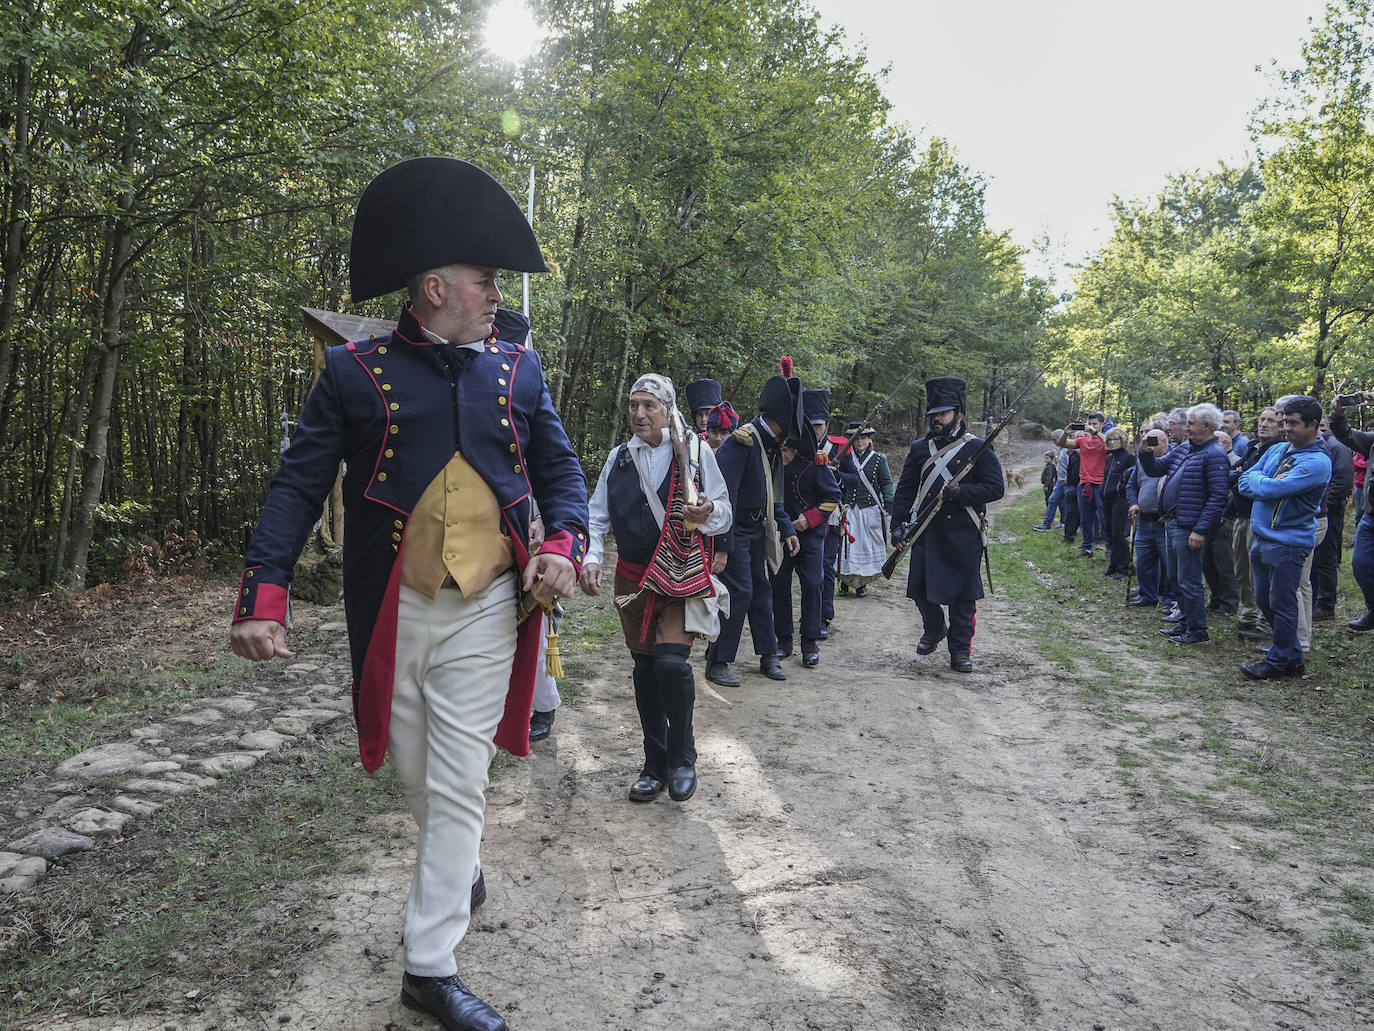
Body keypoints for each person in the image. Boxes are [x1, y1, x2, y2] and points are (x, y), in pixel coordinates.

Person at [228, 158, 589, 1031]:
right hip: (395, 607)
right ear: (435, 287)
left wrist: (562, 544)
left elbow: (561, 472)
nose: (496, 295)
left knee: (461, 782)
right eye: (485, 280)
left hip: (490, 609)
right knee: (420, 775)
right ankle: (454, 864)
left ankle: (429, 967)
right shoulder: (355, 372)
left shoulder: (519, 372)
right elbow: (297, 485)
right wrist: (263, 590)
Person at [581, 374, 731, 801]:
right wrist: (591, 558)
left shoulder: (697, 453)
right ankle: (654, 762)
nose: (639, 413)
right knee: (645, 673)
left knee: (670, 664)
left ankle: (683, 757)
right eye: (634, 405)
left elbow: (724, 512)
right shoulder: (618, 458)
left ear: (667, 410)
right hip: (633, 580)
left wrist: (707, 512)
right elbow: (596, 517)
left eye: (649, 405)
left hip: (681, 575)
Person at [890, 377, 1004, 672]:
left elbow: (995, 488)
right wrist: (897, 526)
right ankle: (935, 627)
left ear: (959, 414)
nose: (936, 419)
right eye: (933, 414)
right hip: (926, 530)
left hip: (963, 534)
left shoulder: (977, 447)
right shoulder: (919, 448)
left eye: (943, 413)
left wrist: (961, 493)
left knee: (963, 600)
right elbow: (904, 491)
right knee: (918, 590)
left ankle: (960, 651)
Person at [705, 367, 803, 686]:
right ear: (778, 422)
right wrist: (722, 546)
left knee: (762, 590)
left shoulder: (770, 447)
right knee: (739, 591)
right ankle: (717, 660)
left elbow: (774, 495)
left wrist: (787, 529)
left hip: (758, 530)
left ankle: (768, 654)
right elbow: (724, 499)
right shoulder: (741, 443)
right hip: (734, 530)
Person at [1238, 396, 1333, 679]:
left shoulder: (1317, 462)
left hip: (1289, 542)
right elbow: (1246, 481)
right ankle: (1291, 654)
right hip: (1261, 537)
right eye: (1284, 422)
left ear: (1313, 425)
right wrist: (1262, 483)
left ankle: (1280, 662)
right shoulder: (1278, 449)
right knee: (1265, 600)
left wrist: (1262, 484)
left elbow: (1267, 491)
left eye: (1293, 423)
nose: (1286, 428)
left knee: (1282, 601)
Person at [1138, 403, 1230, 645]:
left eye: (1190, 423)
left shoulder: (1215, 455)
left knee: (1189, 580)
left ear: (1206, 426)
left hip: (1189, 526)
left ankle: (1197, 630)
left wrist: (1200, 530)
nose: (1186, 428)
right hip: (1170, 522)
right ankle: (1184, 623)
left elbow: (1218, 497)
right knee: (1177, 578)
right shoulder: (1185, 448)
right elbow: (1157, 468)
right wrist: (1145, 452)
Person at [805, 388, 859, 632]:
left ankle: (823, 616)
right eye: (811, 425)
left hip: (831, 516)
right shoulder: (797, 447)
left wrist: (837, 475)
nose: (816, 430)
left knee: (825, 568)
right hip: (802, 514)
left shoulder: (840, 448)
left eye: (819, 425)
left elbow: (855, 478)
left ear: (826, 424)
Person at [1230, 407, 1282, 641]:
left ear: (1280, 425)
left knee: (1256, 571)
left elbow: (1255, 480)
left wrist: (1242, 476)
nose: (1264, 424)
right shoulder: (1253, 447)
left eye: (1271, 420)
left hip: (1258, 517)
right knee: (1241, 570)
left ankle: (1264, 619)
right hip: (1240, 514)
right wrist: (1241, 476)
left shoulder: (1277, 450)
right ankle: (1249, 614)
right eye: (1262, 419)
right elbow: (1233, 475)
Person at [1329, 394, 1374, 631]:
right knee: (1361, 563)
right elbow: (1345, 434)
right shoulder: (1371, 441)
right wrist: (1338, 413)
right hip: (1370, 516)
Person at [838, 422, 895, 597]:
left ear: (869, 439)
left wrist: (889, 502)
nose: (860, 441)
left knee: (866, 548)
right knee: (846, 548)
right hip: (849, 510)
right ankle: (844, 582)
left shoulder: (879, 459)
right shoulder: (844, 458)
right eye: (856, 438)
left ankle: (861, 585)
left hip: (869, 510)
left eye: (863, 437)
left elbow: (886, 482)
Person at [1310, 417, 1353, 621]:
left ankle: (1326, 604)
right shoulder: (1319, 446)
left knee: (1326, 558)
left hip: (1330, 512)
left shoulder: (1337, 446)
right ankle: (1315, 600)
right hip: (1317, 511)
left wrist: (1324, 506)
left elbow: (1342, 481)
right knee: (1315, 557)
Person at [1126, 421, 1171, 608]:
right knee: (1144, 561)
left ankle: (1170, 598)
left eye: (1154, 441)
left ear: (1165, 442)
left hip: (1163, 522)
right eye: (1147, 440)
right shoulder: (1141, 463)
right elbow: (1131, 486)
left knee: (1169, 563)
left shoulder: (1172, 461)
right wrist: (1134, 503)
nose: (1150, 445)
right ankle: (1147, 595)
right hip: (1143, 519)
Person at [1202, 431, 1240, 616]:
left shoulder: (1236, 463)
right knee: (1208, 563)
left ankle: (1229, 604)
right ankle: (1216, 599)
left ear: (1225, 444)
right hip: (1209, 519)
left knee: (1225, 564)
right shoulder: (1211, 461)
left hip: (1226, 519)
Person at [1061, 413, 1107, 557]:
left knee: (1104, 518)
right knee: (1085, 518)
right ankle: (1087, 547)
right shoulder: (1082, 441)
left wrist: (1096, 433)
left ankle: (1110, 548)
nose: (1092, 427)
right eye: (1090, 424)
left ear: (1102, 424)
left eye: (1095, 424)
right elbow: (1063, 443)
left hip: (1100, 484)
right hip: (1084, 484)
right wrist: (1066, 433)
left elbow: (1111, 445)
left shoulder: (1106, 439)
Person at [1100, 426, 1135, 579]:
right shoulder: (1109, 457)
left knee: (1118, 533)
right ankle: (1114, 564)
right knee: (1109, 532)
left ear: (1123, 440)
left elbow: (1130, 480)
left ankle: (1124, 566)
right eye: (1110, 440)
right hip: (1107, 499)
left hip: (1120, 499)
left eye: (1116, 439)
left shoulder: (1129, 457)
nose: (1113, 442)